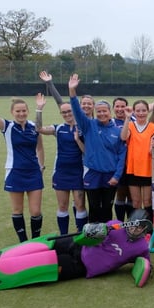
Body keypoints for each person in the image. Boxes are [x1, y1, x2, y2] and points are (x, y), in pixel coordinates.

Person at [0, 217, 152, 291]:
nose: (136, 229)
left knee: (45, 261)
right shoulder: (115, 224)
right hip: (77, 244)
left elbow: (145, 266)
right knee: (43, 244)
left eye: (141, 228)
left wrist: (146, 269)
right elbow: (87, 232)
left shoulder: (141, 248)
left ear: (144, 232)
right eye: (135, 224)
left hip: (82, 265)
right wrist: (100, 229)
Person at [0, 76, 45, 242]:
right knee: (17, 210)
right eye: (18, 111)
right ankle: (23, 242)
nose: (21, 113)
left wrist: (41, 166)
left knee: (36, 211)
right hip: (15, 172)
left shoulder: (34, 127)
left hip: (33, 173)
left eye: (24, 110)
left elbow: (39, 147)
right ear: (12, 113)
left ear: (28, 111)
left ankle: (35, 241)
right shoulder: (7, 126)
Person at [68, 74, 127, 223]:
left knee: (107, 208)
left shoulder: (118, 131)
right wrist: (72, 92)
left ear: (110, 112)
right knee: (94, 207)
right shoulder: (88, 125)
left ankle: (106, 239)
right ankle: (94, 239)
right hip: (92, 174)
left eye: (104, 111)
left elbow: (121, 155)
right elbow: (76, 110)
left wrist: (117, 176)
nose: (101, 113)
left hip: (110, 176)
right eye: (99, 111)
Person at [35, 95, 88, 234]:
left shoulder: (83, 127)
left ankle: (80, 234)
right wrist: (39, 109)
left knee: (80, 204)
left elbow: (88, 152)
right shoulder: (58, 128)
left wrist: (77, 140)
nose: (67, 114)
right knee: (62, 205)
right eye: (64, 112)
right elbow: (39, 128)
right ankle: (63, 235)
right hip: (61, 172)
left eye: (69, 111)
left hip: (79, 172)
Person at [120, 99, 154, 220]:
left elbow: (153, 150)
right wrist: (127, 118)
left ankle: (147, 228)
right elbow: (123, 137)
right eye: (138, 111)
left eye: (143, 110)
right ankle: (136, 228)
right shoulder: (130, 126)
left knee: (147, 201)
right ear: (134, 112)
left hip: (148, 169)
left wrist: (153, 147)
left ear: (148, 111)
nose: (141, 113)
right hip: (133, 169)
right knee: (136, 202)